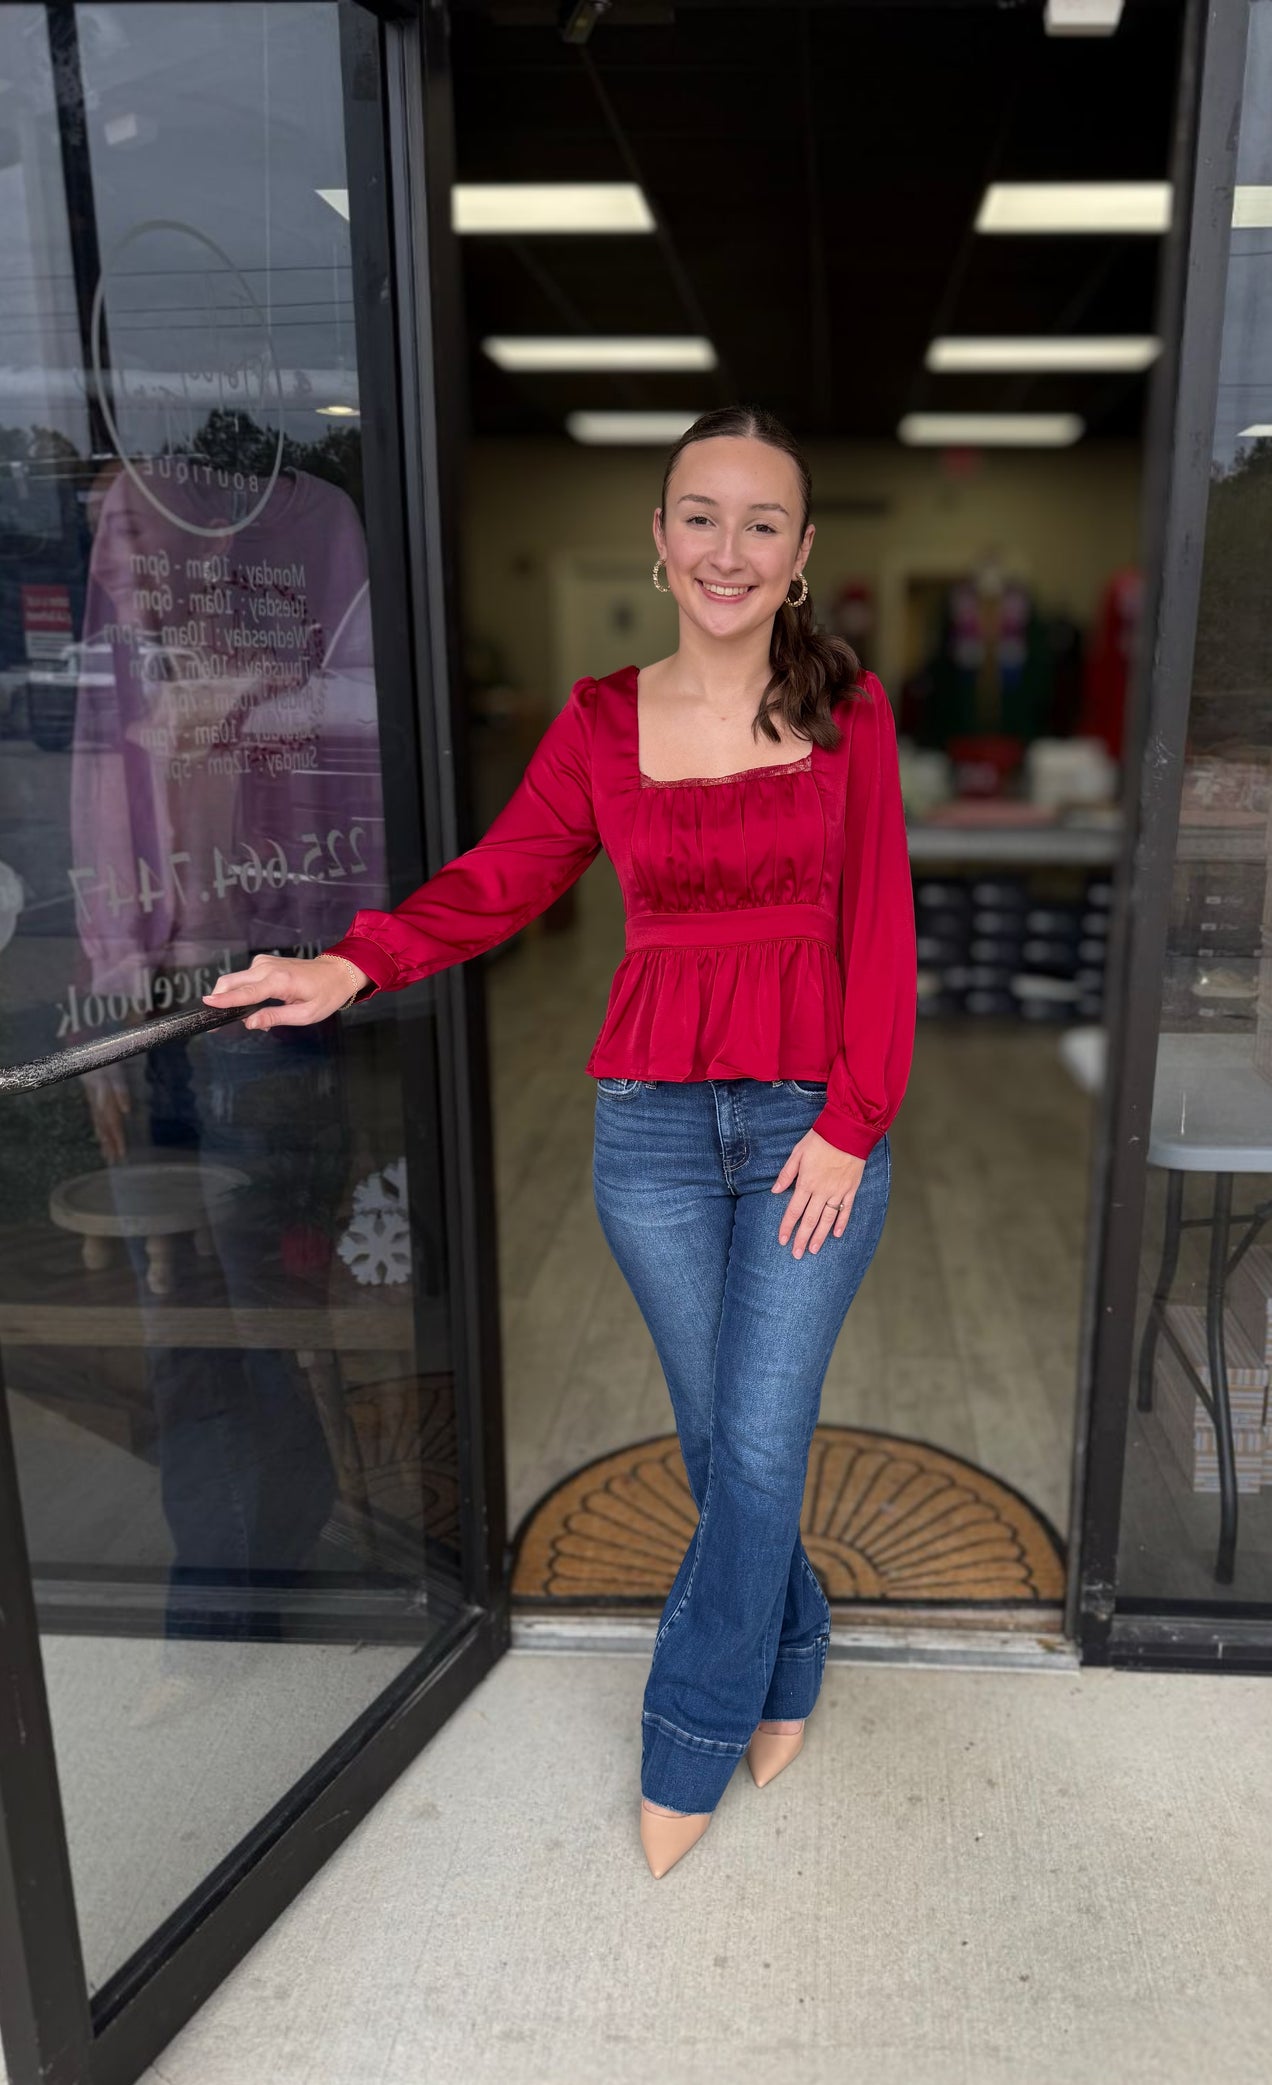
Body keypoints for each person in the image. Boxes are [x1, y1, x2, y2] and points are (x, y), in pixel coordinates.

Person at [201, 405, 918, 1877]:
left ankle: (688, 1734)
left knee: (764, 1435)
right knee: (723, 1441)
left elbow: (883, 934)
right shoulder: (599, 720)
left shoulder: (850, 712)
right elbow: (501, 877)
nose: (728, 546)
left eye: (761, 521)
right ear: (658, 541)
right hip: (649, 1130)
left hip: (809, 1130)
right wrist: (352, 961)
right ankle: (793, 1643)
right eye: (699, 515)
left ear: (798, 559)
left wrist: (850, 1123)